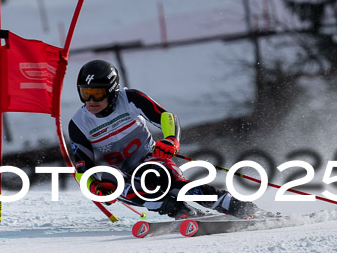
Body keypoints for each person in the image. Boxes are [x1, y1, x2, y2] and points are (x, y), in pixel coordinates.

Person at [68, 59, 270, 219]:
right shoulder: (79, 124)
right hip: (120, 173)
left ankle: (238, 206)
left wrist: (171, 139)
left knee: (169, 183)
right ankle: (179, 211)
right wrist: (93, 186)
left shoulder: (129, 98)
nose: (91, 101)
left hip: (149, 159)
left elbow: (166, 117)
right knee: (115, 185)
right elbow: (81, 169)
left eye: (97, 93)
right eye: (85, 94)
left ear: (111, 90)